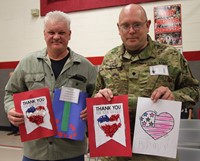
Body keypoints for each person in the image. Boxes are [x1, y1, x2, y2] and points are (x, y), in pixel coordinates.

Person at [93, 4, 199, 161]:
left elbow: (194, 90)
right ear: (118, 28)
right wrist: (98, 97)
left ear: (148, 25)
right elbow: (97, 93)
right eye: (125, 26)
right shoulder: (109, 59)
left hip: (156, 154)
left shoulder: (170, 56)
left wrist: (174, 96)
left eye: (136, 24)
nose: (131, 31)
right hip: (114, 154)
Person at [4, 11, 97, 161]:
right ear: (44, 34)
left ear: (69, 34)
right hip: (35, 152)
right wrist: (11, 109)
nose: (56, 37)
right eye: (51, 32)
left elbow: (96, 96)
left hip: (71, 152)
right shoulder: (27, 63)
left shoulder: (86, 67)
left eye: (61, 32)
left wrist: (92, 108)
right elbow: (10, 92)